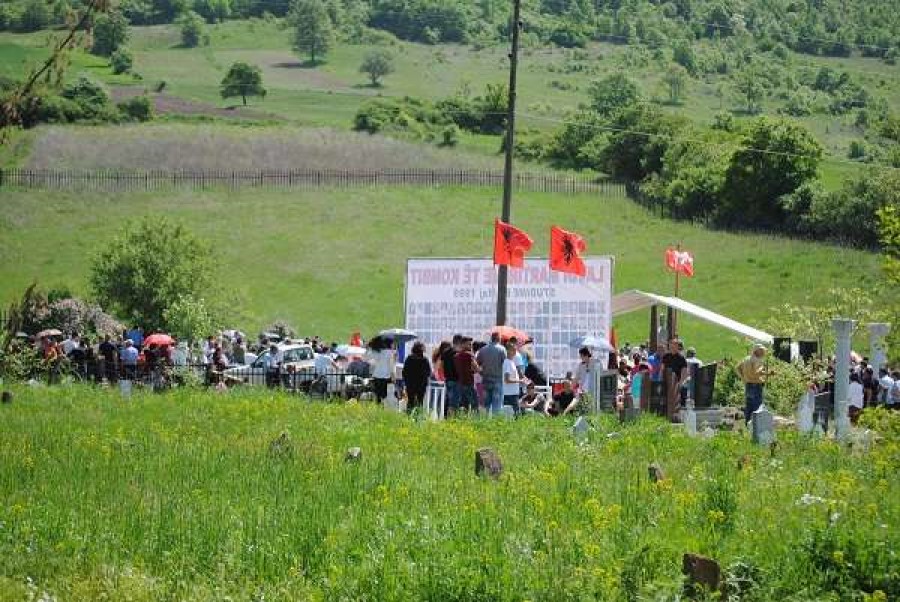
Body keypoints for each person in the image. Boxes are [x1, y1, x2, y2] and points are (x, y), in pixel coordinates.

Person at [736, 344, 768, 423]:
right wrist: (766, 372)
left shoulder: (746, 359)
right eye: (762, 351)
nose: (763, 353)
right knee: (757, 408)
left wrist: (743, 378)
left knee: (749, 408)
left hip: (748, 385)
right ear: (757, 351)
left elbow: (737, 368)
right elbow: (756, 372)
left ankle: (747, 426)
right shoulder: (757, 360)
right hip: (756, 386)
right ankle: (756, 427)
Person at [476, 332, 506, 415]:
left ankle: (484, 424)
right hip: (497, 380)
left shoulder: (482, 350)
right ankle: (495, 424)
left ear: (491, 338)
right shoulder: (502, 349)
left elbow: (476, 364)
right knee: (497, 406)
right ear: (498, 338)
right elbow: (505, 363)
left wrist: (481, 372)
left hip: (485, 380)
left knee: (486, 405)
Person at [662, 339, 689, 419]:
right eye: (671, 345)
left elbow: (684, 372)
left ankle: (677, 417)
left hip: (677, 383)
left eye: (674, 345)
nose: (672, 347)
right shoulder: (665, 356)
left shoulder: (681, 358)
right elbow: (662, 369)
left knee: (678, 402)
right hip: (667, 382)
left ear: (677, 347)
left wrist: (680, 383)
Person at [402, 342, 431, 413]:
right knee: (420, 402)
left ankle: (408, 416)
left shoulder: (409, 359)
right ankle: (418, 417)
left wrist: (406, 382)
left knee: (410, 401)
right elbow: (428, 372)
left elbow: (404, 372)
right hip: (421, 385)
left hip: (410, 384)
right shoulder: (424, 360)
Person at [453, 337, 479, 412]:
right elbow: (476, 368)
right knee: (475, 405)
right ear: (463, 344)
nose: (471, 346)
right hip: (469, 382)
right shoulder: (469, 355)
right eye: (469, 344)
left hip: (460, 383)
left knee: (464, 405)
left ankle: (462, 421)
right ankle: (475, 421)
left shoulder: (456, 356)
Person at [369, 337, 395, 402]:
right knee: (386, 396)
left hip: (376, 375)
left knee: (378, 396)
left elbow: (370, 361)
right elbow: (391, 366)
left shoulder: (376, 351)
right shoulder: (389, 353)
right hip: (386, 376)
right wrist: (393, 376)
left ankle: (378, 409)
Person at [442, 335, 461, 413]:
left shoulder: (446, 352)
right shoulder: (457, 353)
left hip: (448, 379)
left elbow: (442, 365)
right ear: (459, 342)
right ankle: (451, 419)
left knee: (448, 399)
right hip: (456, 379)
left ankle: (446, 416)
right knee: (454, 402)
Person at [502, 344, 521, 412]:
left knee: (514, 414)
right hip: (510, 394)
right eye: (513, 350)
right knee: (516, 414)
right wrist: (519, 381)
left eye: (515, 350)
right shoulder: (507, 363)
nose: (515, 352)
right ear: (508, 351)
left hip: (512, 393)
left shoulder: (511, 362)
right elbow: (507, 380)